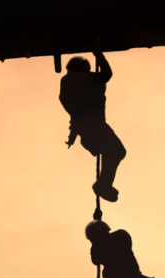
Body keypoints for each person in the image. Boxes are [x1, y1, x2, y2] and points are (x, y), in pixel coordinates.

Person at [60, 47, 126, 203]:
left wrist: (73, 135)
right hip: (96, 127)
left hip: (87, 131)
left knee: (111, 151)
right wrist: (98, 53)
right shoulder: (88, 80)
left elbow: (75, 115)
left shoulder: (67, 85)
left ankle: (104, 183)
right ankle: (103, 184)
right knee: (117, 151)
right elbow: (106, 74)